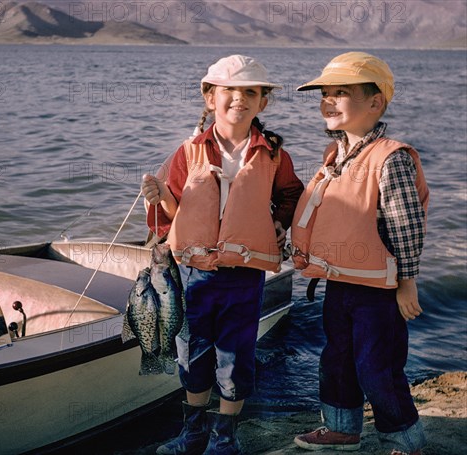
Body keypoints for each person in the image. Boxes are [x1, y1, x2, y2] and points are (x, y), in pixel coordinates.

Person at [141, 54, 304, 454]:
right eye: (229, 91)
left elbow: (291, 195)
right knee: (192, 355)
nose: (240, 99)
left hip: (244, 276)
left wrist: (280, 223)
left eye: (251, 92)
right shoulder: (188, 152)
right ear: (210, 98)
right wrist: (158, 196)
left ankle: (224, 438)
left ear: (263, 102)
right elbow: (174, 213)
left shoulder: (274, 155)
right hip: (193, 274)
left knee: (235, 357)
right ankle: (193, 433)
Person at [290, 52, 429, 455]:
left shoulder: (391, 157)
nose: (328, 101)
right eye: (325, 93)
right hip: (339, 281)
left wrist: (407, 283)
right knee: (336, 360)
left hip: (378, 290)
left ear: (375, 102)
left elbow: (406, 227)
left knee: (377, 367)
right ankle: (341, 429)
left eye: (341, 93)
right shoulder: (336, 156)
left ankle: (405, 439)